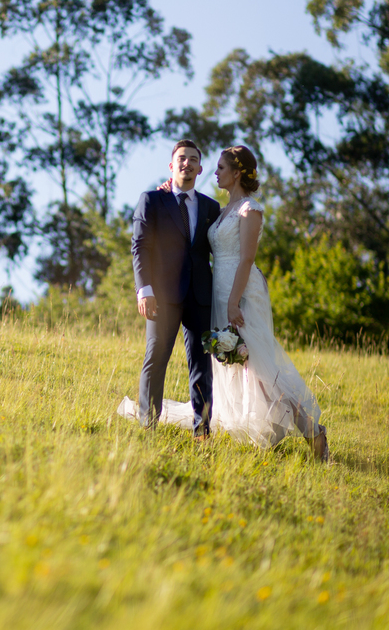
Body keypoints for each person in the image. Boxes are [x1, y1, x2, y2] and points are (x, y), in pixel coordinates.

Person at [202, 145, 329, 460]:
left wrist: (234, 302)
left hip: (241, 293)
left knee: (261, 367)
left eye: (221, 167)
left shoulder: (250, 209)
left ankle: (314, 433)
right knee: (238, 363)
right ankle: (267, 429)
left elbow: (246, 258)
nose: (215, 173)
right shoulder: (223, 210)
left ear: (237, 172)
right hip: (221, 291)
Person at [126, 139, 221, 438]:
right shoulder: (152, 200)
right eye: (181, 158)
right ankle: (148, 426)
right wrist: (144, 289)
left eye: (193, 159)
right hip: (161, 296)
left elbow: (218, 250)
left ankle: (202, 432)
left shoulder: (211, 207)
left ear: (200, 168)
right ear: (171, 165)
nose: (187, 163)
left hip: (200, 296)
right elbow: (140, 246)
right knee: (155, 359)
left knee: (202, 367)